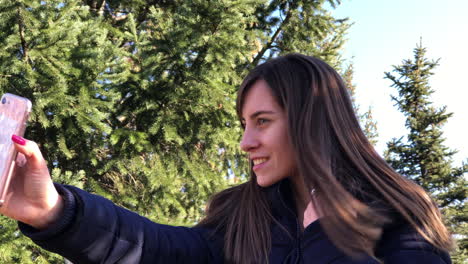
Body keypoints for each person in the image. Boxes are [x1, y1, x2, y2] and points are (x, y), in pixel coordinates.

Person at [0, 54, 453, 264]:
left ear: (310, 122)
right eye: (243, 124)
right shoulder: (240, 217)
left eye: (261, 121)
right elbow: (155, 250)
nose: (244, 142)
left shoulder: (398, 213)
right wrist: (54, 211)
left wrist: (326, 239)